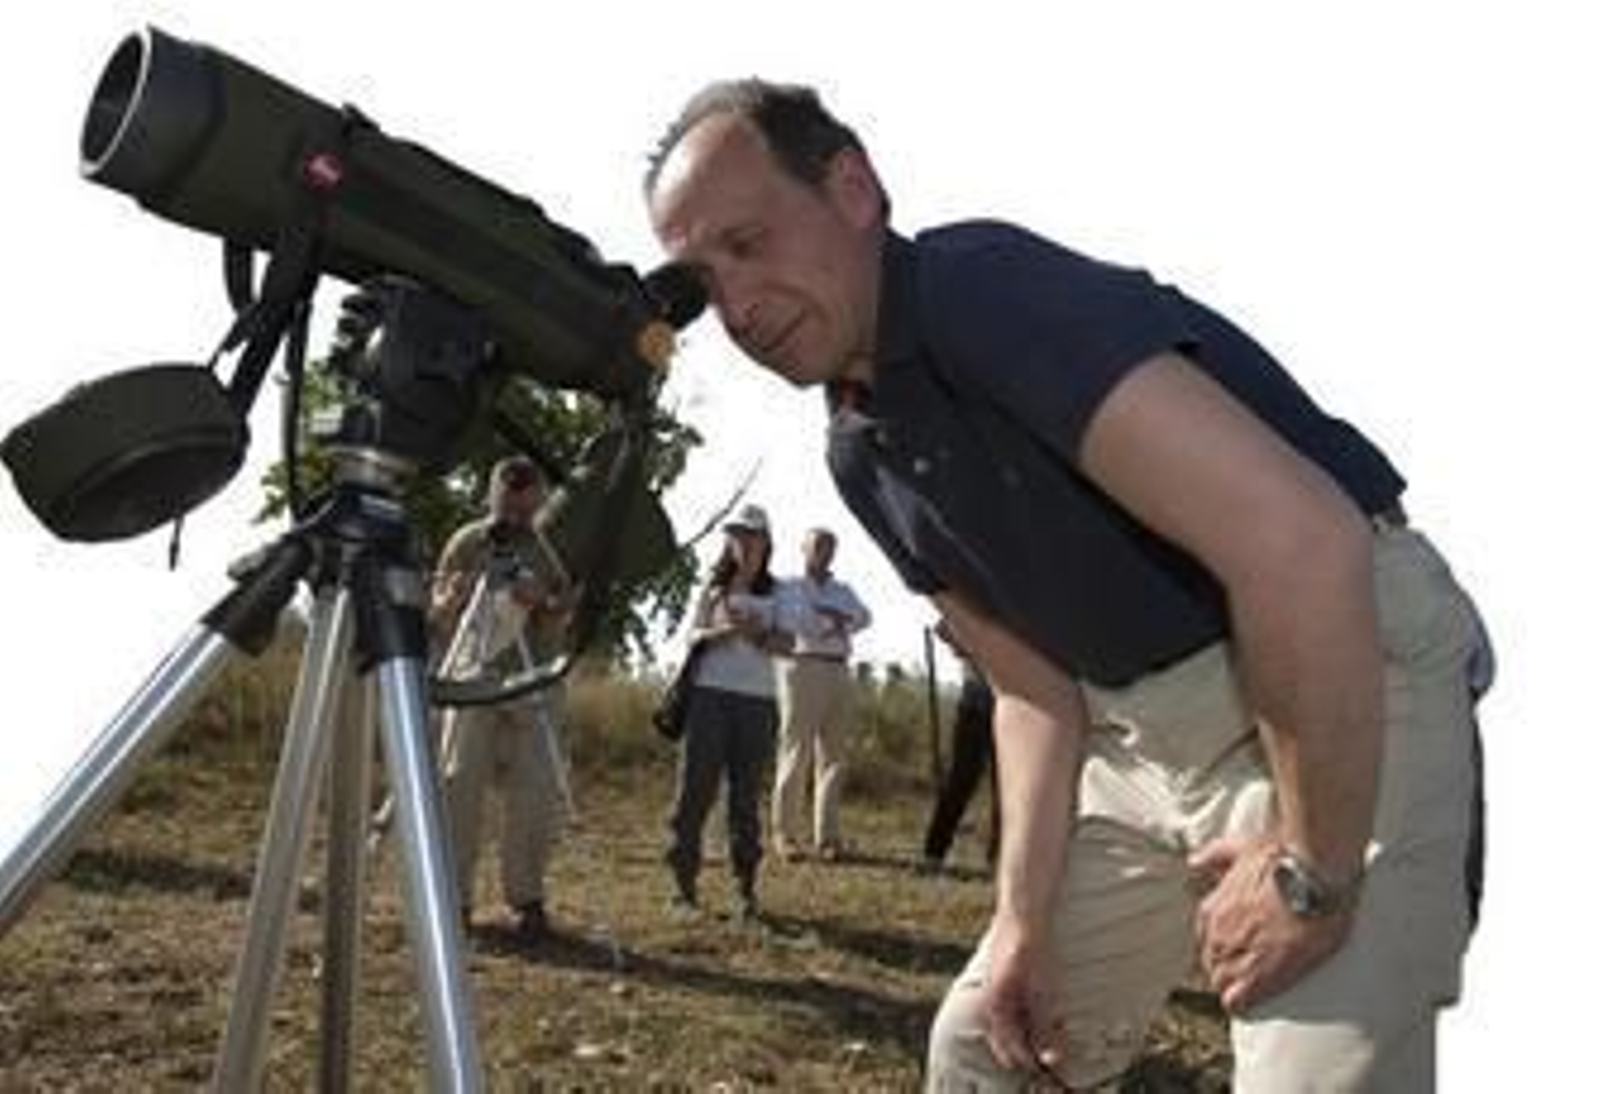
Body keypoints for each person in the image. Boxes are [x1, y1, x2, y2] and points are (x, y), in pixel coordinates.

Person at [644, 81, 1491, 1090]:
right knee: (985, 1056)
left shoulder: (977, 289)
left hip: (1333, 660)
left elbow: (1302, 546)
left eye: (749, 242)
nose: (737, 308)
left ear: (852, 188)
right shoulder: (858, 454)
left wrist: (1312, 871)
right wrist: (1019, 922)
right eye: (703, 285)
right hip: (1138, 737)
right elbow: (1032, 693)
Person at [431, 456, 576, 942]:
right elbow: (437, 617)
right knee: (458, 787)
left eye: (525, 508)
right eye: (506, 506)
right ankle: (453, 900)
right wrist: (453, 598)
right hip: (472, 677)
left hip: (534, 681)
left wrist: (542, 601)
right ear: (491, 496)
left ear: (539, 502)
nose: (514, 517)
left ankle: (527, 898)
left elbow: (565, 611)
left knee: (536, 791)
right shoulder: (466, 542)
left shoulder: (550, 548)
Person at [664, 503, 786, 922]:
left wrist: (756, 633)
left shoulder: (779, 592)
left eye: (752, 536)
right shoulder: (713, 588)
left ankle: (744, 890)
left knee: (745, 797)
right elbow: (692, 636)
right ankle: (682, 888)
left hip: (757, 701)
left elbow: (789, 645)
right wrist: (725, 630)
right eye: (737, 535)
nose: (744, 543)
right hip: (708, 696)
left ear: (766, 542)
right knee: (694, 791)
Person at [770, 526, 872, 862]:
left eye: (830, 547)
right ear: (804, 548)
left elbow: (864, 617)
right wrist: (835, 621)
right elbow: (797, 624)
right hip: (803, 666)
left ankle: (827, 838)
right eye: (818, 546)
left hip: (838, 668)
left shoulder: (843, 590)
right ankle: (785, 835)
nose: (824, 553)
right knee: (796, 750)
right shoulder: (788, 587)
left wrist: (835, 618)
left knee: (834, 756)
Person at [920, 647, 998, 873]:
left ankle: (999, 859)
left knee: (1007, 787)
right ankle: (934, 853)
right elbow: (947, 632)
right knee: (960, 781)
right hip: (975, 700)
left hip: (1012, 699)